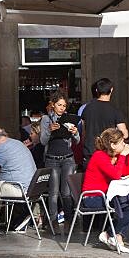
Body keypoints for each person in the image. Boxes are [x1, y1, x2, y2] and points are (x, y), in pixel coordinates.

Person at [80, 127, 129, 253]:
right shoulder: (100, 156)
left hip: (107, 195)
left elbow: (128, 173)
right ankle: (114, 235)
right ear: (113, 145)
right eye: (121, 143)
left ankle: (112, 234)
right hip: (93, 197)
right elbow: (116, 175)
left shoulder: (114, 156)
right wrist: (123, 156)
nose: (125, 145)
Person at [40, 91, 80, 226]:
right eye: (59, 105)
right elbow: (43, 141)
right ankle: (53, 222)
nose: (62, 108)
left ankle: (69, 220)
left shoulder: (69, 118)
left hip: (68, 158)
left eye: (64, 105)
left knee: (67, 192)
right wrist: (49, 130)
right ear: (53, 105)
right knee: (53, 191)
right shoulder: (46, 119)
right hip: (52, 159)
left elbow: (78, 141)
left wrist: (75, 133)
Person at [80, 77, 128, 163]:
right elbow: (124, 134)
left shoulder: (87, 108)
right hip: (107, 155)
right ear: (111, 90)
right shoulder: (115, 110)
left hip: (89, 153)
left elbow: (83, 133)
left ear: (96, 90)